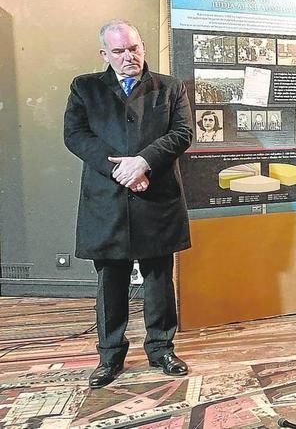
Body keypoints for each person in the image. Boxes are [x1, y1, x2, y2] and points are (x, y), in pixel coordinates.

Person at [63, 20, 193, 389]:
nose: (128, 56)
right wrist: (122, 170)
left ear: (142, 47)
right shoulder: (84, 87)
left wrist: (144, 162)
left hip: (156, 195)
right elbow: (75, 135)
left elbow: (183, 133)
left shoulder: (170, 87)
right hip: (107, 198)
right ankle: (110, 356)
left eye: (133, 48)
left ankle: (161, 349)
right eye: (118, 51)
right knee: (110, 280)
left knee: (159, 278)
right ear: (104, 54)